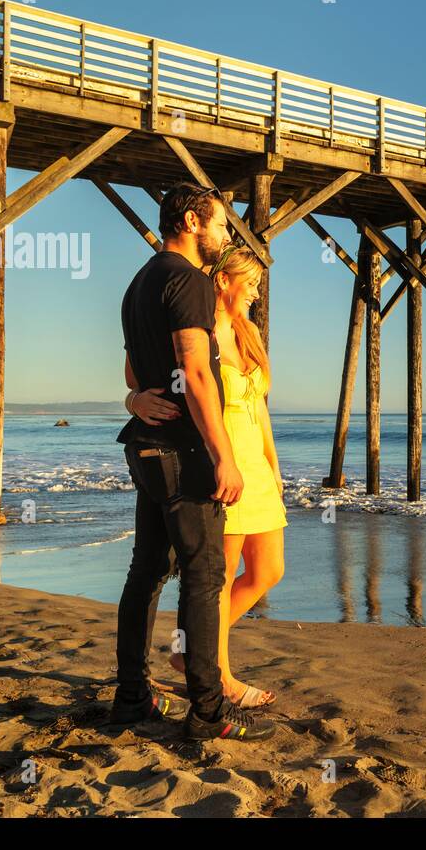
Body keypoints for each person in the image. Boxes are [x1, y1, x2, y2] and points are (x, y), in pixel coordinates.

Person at [107, 182, 274, 742]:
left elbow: (136, 373)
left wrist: (135, 400)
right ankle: (206, 712)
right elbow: (197, 373)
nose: (226, 235)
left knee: (146, 572)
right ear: (193, 220)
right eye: (222, 224)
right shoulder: (189, 282)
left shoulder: (137, 282)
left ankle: (132, 698)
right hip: (184, 451)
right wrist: (224, 457)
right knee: (205, 576)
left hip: (146, 451)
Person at [133, 245, 287, 708]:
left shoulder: (248, 331)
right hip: (221, 456)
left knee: (269, 571)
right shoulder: (201, 329)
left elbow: (259, 407)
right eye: (252, 284)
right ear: (224, 281)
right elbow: (142, 376)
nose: (257, 295)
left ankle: (189, 649)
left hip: (254, 463)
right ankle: (219, 675)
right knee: (217, 578)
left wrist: (275, 469)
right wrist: (135, 401)